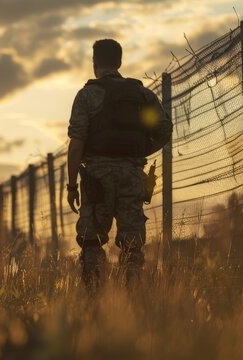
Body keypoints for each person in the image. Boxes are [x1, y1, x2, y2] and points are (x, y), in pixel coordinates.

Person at [66, 39, 172, 287]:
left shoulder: (87, 96)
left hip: (96, 179)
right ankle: (132, 298)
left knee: (91, 241)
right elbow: (164, 130)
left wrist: (72, 186)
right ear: (120, 62)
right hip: (131, 176)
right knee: (132, 243)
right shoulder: (141, 95)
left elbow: (76, 144)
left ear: (95, 64)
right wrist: (138, 152)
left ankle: (94, 299)